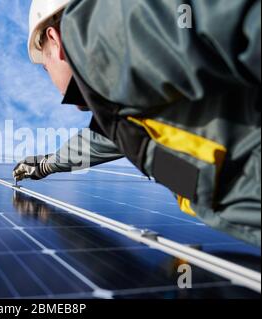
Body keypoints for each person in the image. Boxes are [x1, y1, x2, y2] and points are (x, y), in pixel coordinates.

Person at [13, 0, 261, 246]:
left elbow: (231, 16)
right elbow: (98, 140)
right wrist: (45, 165)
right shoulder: (121, 112)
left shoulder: (97, 33)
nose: (54, 86)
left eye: (46, 68)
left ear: (55, 42)